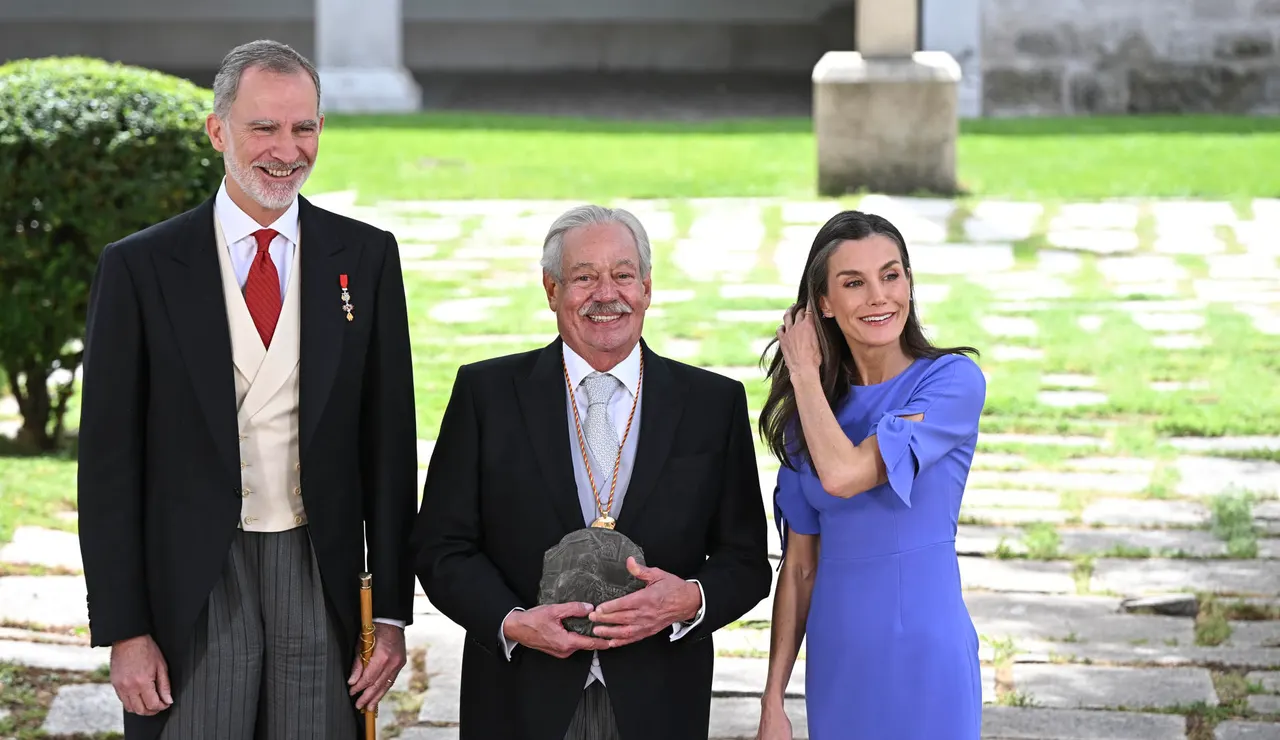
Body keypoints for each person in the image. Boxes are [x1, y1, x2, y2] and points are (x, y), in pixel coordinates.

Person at [76, 39, 418, 739]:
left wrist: (388, 612)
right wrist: (124, 629)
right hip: (194, 573)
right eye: (264, 127)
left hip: (315, 565)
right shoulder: (140, 268)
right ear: (217, 131)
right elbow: (107, 467)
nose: (286, 150)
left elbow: (388, 448)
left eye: (305, 127)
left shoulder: (366, 256)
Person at [412, 204, 773, 739]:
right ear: (551, 289)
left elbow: (746, 562)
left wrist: (689, 598)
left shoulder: (712, 404)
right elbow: (442, 547)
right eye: (584, 277)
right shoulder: (486, 396)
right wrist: (513, 623)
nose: (607, 294)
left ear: (647, 288)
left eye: (623, 275)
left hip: (660, 702)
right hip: (519, 698)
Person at [754, 211, 985, 740]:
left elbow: (843, 475)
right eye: (853, 283)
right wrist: (773, 700)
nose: (879, 296)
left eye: (891, 274)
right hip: (839, 662)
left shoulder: (951, 383)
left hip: (928, 656)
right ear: (824, 305)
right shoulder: (805, 420)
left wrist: (804, 375)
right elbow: (799, 567)